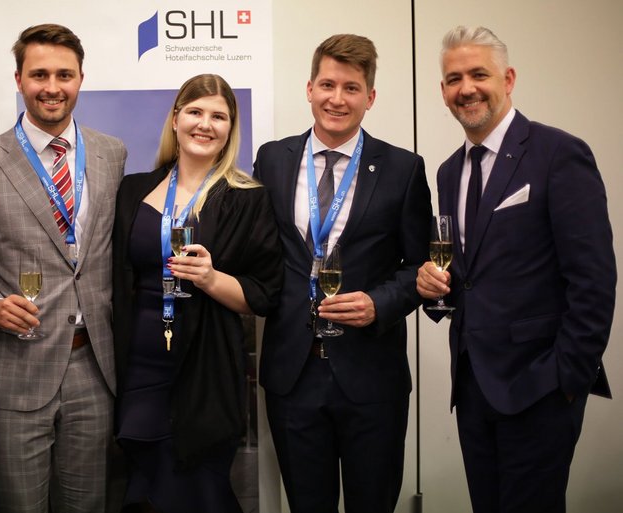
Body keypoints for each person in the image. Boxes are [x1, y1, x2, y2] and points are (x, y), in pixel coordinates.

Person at [416, 26, 616, 513]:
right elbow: (469, 277)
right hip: (472, 389)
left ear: (507, 79)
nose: (466, 88)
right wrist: (434, 289)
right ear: (442, 90)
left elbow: (593, 279)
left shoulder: (558, 153)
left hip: (540, 387)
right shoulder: (448, 171)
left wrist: (567, 379)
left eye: (478, 74)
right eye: (454, 79)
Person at [0, 23, 127, 513]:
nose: (52, 87)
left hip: (94, 367)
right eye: (39, 74)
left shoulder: (112, 154)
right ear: (19, 79)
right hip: (16, 371)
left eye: (64, 75)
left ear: (81, 79)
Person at [254, 34, 432, 512]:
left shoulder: (403, 169)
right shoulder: (272, 159)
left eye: (351, 88)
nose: (337, 99)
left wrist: (380, 303)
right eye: (328, 85)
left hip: (371, 376)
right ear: (309, 89)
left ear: (370, 97)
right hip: (292, 373)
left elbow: (420, 265)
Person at [112, 73, 283, 513]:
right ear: (175, 119)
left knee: (199, 495)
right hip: (137, 370)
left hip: (204, 376)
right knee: (143, 494)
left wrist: (210, 278)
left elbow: (264, 294)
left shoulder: (247, 199)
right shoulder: (133, 190)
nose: (205, 124)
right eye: (195, 112)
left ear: (230, 129)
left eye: (218, 117)